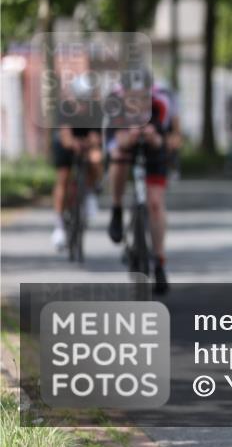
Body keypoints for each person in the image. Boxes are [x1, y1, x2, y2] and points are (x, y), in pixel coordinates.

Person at [106, 70, 182, 295]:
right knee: (118, 159)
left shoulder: (162, 102)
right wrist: (128, 138)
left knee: (156, 203)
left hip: (156, 147)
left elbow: (175, 138)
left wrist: (158, 139)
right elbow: (114, 138)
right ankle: (116, 208)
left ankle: (159, 262)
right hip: (124, 143)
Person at [50, 75, 103, 250]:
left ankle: (89, 192)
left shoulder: (96, 110)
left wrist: (88, 144)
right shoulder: (65, 108)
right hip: (66, 142)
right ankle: (58, 226)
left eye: (87, 100)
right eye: (81, 100)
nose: (83, 104)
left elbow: (96, 137)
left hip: (85, 141)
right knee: (63, 178)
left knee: (96, 159)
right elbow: (65, 138)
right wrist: (75, 144)